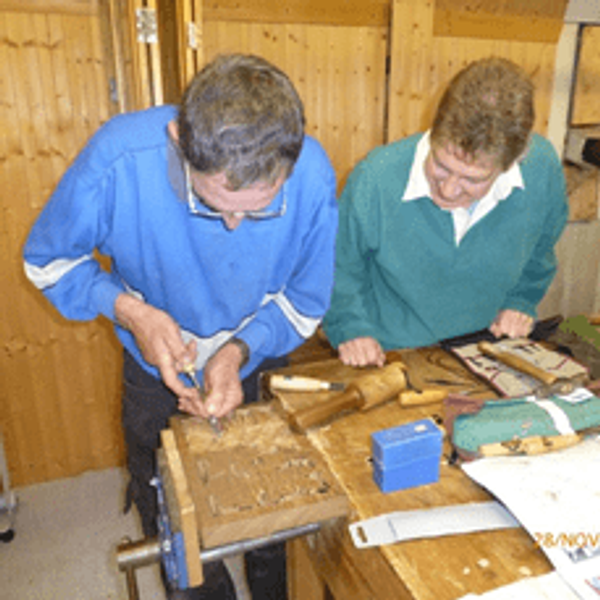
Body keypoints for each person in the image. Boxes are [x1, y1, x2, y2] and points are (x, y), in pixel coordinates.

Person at [23, 53, 338, 599]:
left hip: (258, 355)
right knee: (173, 526)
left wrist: (239, 350)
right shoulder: (121, 156)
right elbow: (46, 261)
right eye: (215, 204)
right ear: (178, 139)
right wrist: (131, 312)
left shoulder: (310, 172)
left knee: (278, 514)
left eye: (257, 209)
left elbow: (303, 306)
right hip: (152, 362)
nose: (234, 226)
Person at [323, 57, 568, 368]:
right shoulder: (376, 177)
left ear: (515, 160)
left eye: (473, 179)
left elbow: (542, 248)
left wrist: (521, 300)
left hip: (488, 347)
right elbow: (339, 265)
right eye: (440, 165)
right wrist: (350, 326)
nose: (448, 189)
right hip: (391, 353)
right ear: (435, 129)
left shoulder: (541, 170)